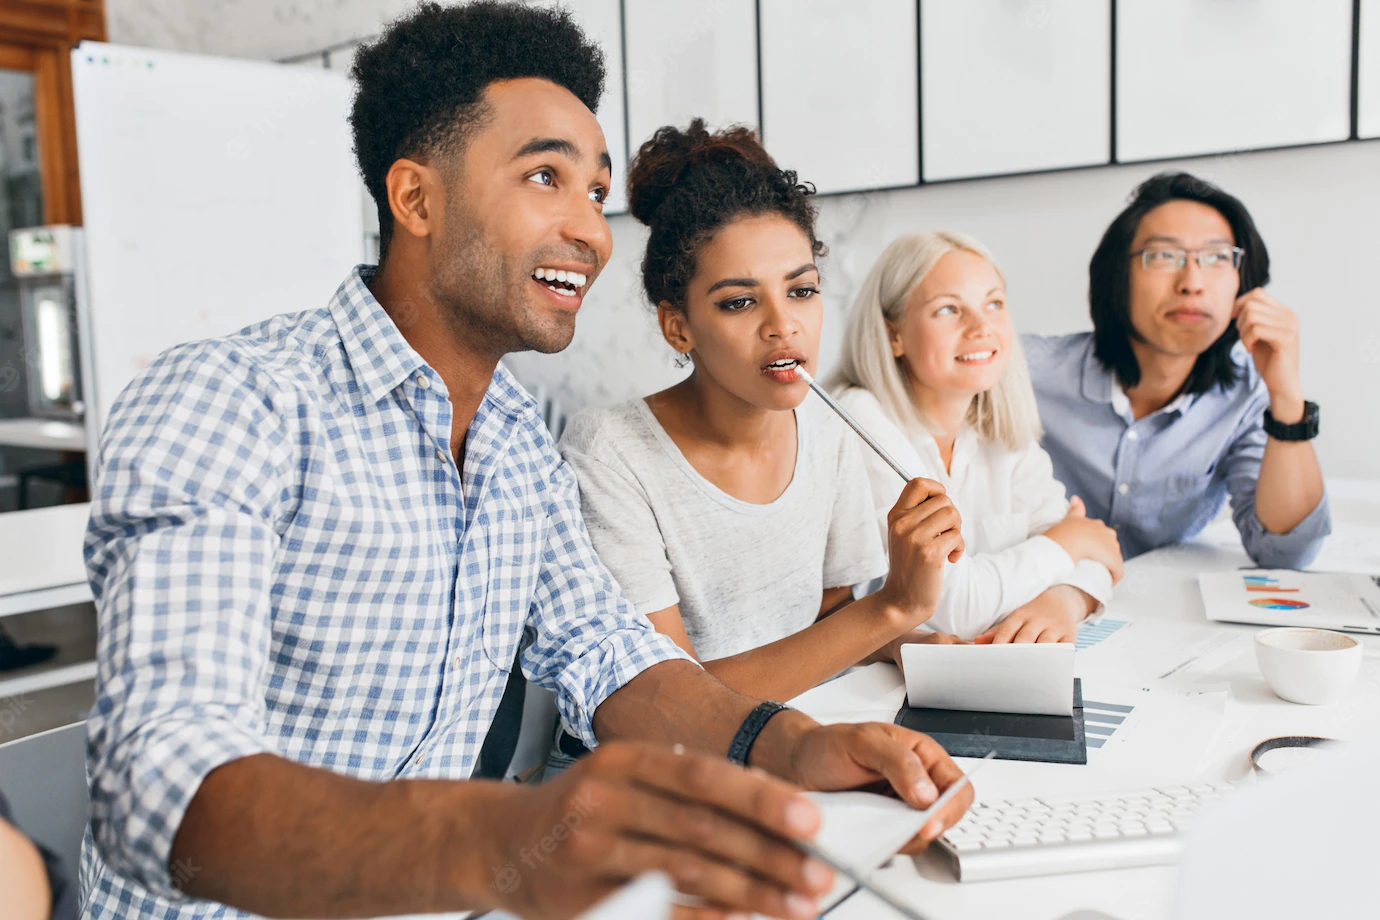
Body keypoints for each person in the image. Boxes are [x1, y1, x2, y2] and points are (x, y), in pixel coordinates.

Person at [80, 5, 972, 920]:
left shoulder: (515, 438)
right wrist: (503, 837)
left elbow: (609, 658)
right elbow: (156, 791)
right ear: (416, 199)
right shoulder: (229, 401)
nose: (590, 231)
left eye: (593, 192)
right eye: (545, 175)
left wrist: (787, 747)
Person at [555, 121, 966, 715]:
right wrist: (895, 608)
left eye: (801, 291)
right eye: (739, 302)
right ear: (679, 325)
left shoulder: (829, 432)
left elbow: (832, 619)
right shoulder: (610, 451)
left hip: (807, 731)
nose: (783, 325)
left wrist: (920, 646)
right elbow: (667, 701)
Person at [828, 231, 1123, 645]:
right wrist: (1067, 542)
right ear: (893, 334)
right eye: (949, 309)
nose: (982, 327)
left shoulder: (996, 423)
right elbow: (952, 609)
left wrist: (1064, 601)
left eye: (994, 304)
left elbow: (1098, 557)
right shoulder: (859, 418)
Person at [1024, 172, 1328, 565]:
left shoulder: (1247, 398)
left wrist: (1286, 394)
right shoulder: (1025, 372)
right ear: (1118, 278)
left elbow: (1287, 554)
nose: (1192, 282)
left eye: (1218, 257)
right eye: (1164, 256)